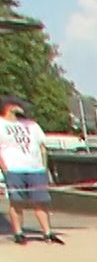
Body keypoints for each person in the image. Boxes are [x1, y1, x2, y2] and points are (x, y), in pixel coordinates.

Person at [1, 95, 61, 245]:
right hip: (14, 169)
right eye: (18, 105)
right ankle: (19, 233)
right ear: (9, 107)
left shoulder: (32, 125)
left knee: (40, 201)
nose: (22, 108)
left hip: (35, 169)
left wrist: (43, 166)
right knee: (17, 202)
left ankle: (47, 232)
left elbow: (42, 146)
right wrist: (5, 169)